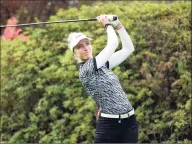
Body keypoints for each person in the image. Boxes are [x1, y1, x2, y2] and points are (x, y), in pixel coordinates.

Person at [67, 14, 138, 143]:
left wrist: (118, 25)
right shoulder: (86, 69)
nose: (85, 48)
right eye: (79, 46)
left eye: (87, 43)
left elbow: (128, 49)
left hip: (130, 123)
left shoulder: (103, 65)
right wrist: (106, 24)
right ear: (74, 53)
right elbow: (113, 44)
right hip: (110, 126)